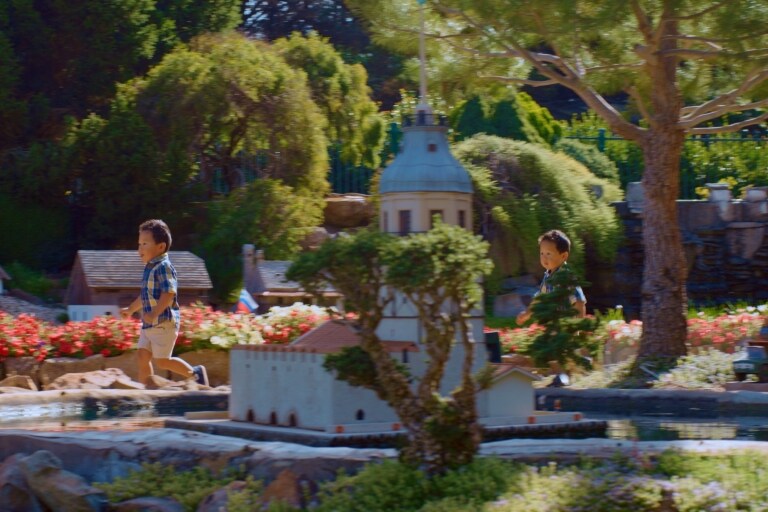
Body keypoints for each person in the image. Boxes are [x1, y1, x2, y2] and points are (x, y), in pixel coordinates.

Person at [121, 219, 209, 387]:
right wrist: (131, 309)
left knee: (162, 361)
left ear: (160, 247)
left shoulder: (164, 267)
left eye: (144, 244)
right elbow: (145, 296)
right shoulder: (149, 268)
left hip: (163, 322)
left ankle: (195, 374)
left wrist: (154, 313)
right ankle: (148, 389)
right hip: (150, 323)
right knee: (142, 356)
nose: (140, 249)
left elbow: (169, 293)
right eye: (139, 244)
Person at [516, 229, 586, 326]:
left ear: (563, 256)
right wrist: (527, 313)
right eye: (542, 253)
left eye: (548, 254)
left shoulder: (566, 277)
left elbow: (579, 301)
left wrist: (579, 328)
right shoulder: (548, 276)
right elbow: (540, 297)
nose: (544, 258)